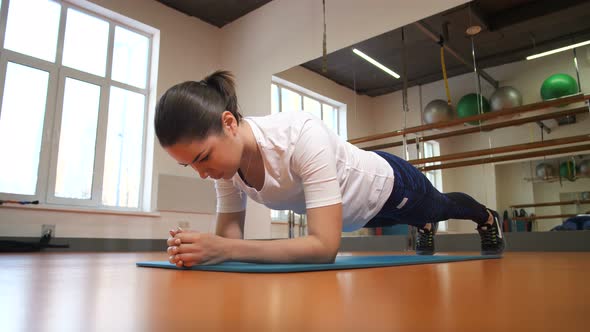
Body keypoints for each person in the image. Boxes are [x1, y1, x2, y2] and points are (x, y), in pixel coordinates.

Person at [155, 70, 505, 267]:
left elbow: (324, 247)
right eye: (189, 165)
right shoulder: (225, 167)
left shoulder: (299, 134)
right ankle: (422, 222)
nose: (202, 172)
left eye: (202, 158)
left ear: (228, 123)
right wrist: (200, 250)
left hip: (392, 187)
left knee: (442, 206)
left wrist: (223, 248)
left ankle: (486, 217)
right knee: (415, 218)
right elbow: (228, 241)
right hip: (357, 214)